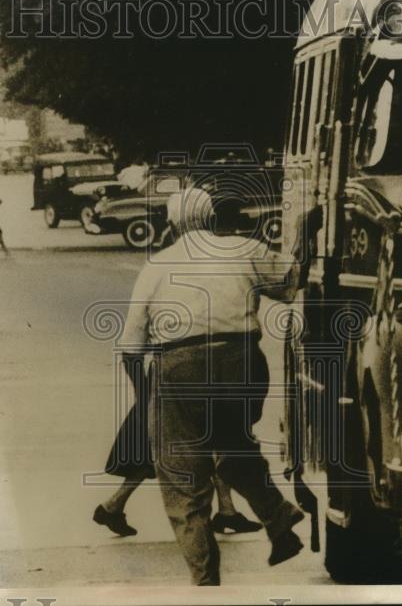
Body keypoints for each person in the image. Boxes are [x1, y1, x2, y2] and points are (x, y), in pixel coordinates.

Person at [117, 187, 313, 585]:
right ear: (212, 219)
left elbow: (131, 347)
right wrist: (305, 236)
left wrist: (148, 398)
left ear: (171, 225)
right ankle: (279, 518)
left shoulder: (157, 266)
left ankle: (207, 585)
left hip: (180, 370)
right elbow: (291, 283)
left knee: (183, 483)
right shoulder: (243, 249)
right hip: (242, 363)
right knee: (235, 447)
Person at [94, 353, 263, 538]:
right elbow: (130, 351)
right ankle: (226, 512)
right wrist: (144, 397)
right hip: (179, 376)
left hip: (193, 371)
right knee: (212, 438)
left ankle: (112, 507)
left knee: (208, 440)